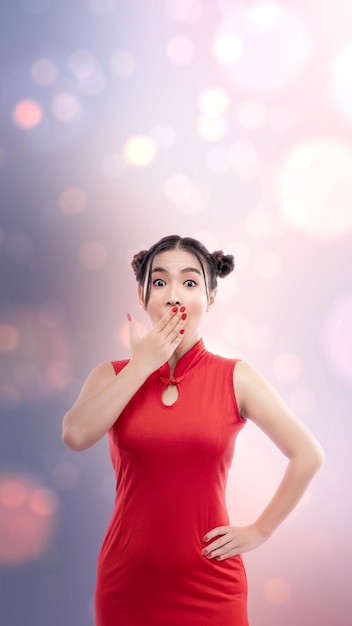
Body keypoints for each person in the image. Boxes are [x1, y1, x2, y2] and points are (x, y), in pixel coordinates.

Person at [62, 234, 324, 626]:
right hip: (127, 583)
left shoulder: (237, 378)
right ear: (141, 295)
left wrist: (260, 530)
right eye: (159, 282)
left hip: (212, 584)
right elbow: (75, 435)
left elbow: (308, 455)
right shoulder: (112, 375)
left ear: (210, 298)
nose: (173, 295)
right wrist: (141, 366)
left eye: (189, 282)